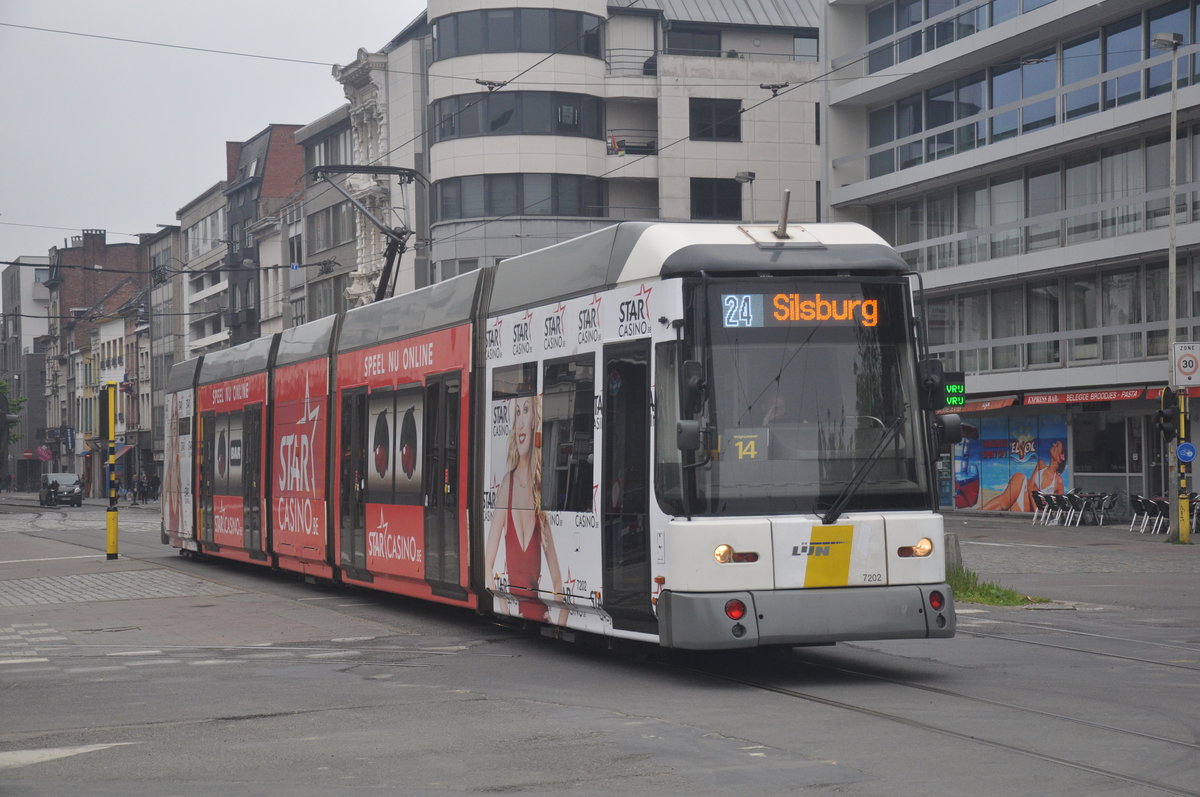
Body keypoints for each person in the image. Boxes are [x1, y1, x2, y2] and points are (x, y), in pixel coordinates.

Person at [484, 395, 567, 625]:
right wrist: (505, 610)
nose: (520, 421)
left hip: (541, 616)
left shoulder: (540, 493)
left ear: (534, 421)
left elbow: (559, 584)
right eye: (517, 412)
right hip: (517, 614)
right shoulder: (506, 486)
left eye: (526, 410)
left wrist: (558, 624)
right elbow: (487, 567)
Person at [984, 439, 1067, 512]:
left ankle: (979, 512)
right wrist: (1036, 510)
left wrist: (1039, 511)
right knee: (1019, 479)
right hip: (1024, 494)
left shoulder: (1058, 481)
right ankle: (979, 512)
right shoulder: (1040, 464)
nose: (1053, 445)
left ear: (1060, 457)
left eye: (1057, 445)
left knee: (1005, 503)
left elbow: (1061, 506)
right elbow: (1031, 487)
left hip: (1025, 507)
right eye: (1055, 443)